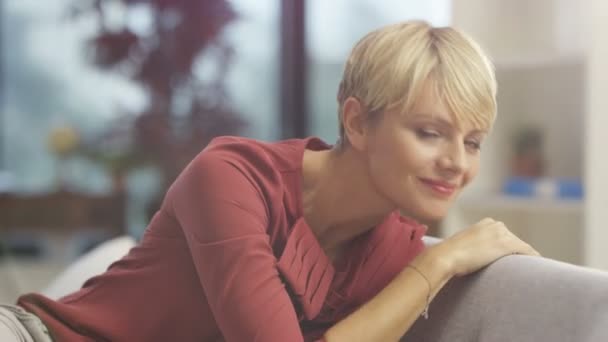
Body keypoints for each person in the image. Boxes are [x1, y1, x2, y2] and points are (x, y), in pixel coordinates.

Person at [1, 20, 539, 341]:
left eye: (472, 142)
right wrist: (439, 262)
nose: (456, 163)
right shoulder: (231, 179)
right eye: (429, 133)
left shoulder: (395, 247)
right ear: (356, 121)